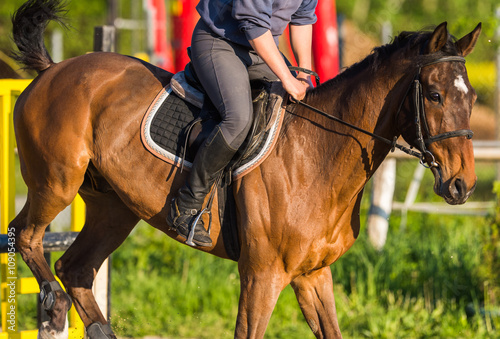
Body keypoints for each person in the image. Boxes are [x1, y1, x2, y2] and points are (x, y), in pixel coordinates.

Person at [167, 0, 317, 247]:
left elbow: (303, 18)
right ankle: (186, 205)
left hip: (260, 49)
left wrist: (303, 74)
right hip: (219, 42)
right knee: (238, 120)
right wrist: (286, 78)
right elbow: (253, 23)